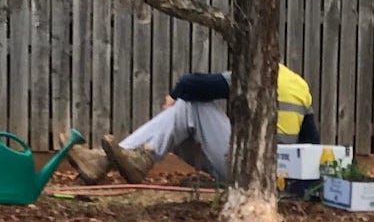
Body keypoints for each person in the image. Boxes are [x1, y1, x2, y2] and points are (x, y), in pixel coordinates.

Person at [62, 63, 319, 185]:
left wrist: (173, 97)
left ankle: (108, 161)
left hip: (249, 168)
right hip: (276, 174)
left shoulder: (255, 72)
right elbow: (313, 144)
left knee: (187, 106)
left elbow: (192, 84)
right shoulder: (299, 86)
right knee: (181, 120)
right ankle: (117, 160)